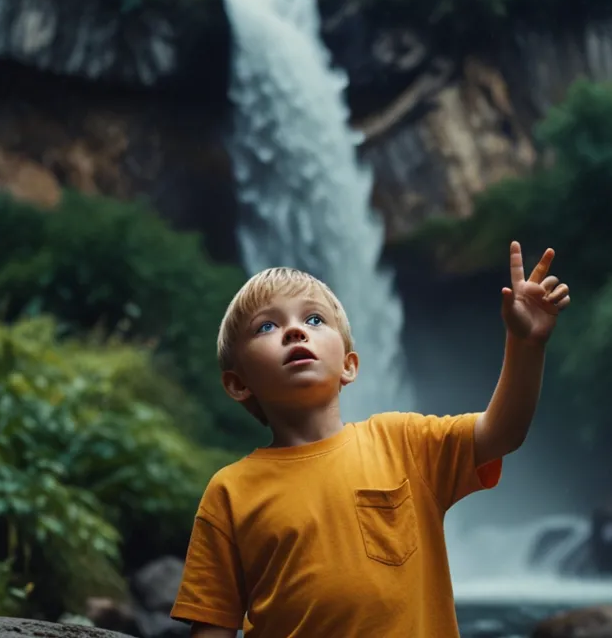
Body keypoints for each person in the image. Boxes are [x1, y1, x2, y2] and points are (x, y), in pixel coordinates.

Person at [170, 241, 571, 637]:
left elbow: (503, 432)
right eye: (267, 326)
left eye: (314, 320)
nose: (294, 331)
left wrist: (526, 345)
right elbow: (212, 628)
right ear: (238, 384)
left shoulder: (403, 442)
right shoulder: (229, 493)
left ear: (349, 365)